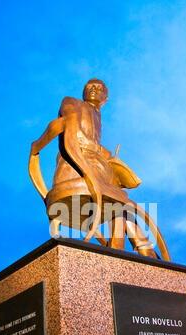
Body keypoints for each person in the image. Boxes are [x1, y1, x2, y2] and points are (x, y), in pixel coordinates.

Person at [29, 79, 169, 259]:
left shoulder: (97, 117)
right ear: (83, 92)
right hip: (74, 170)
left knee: (119, 204)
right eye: (90, 87)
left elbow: (93, 144)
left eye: (99, 88)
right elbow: (70, 127)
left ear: (106, 98)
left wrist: (107, 156)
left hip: (97, 170)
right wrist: (97, 150)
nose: (94, 89)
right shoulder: (71, 102)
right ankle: (140, 249)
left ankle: (123, 252)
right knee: (119, 201)